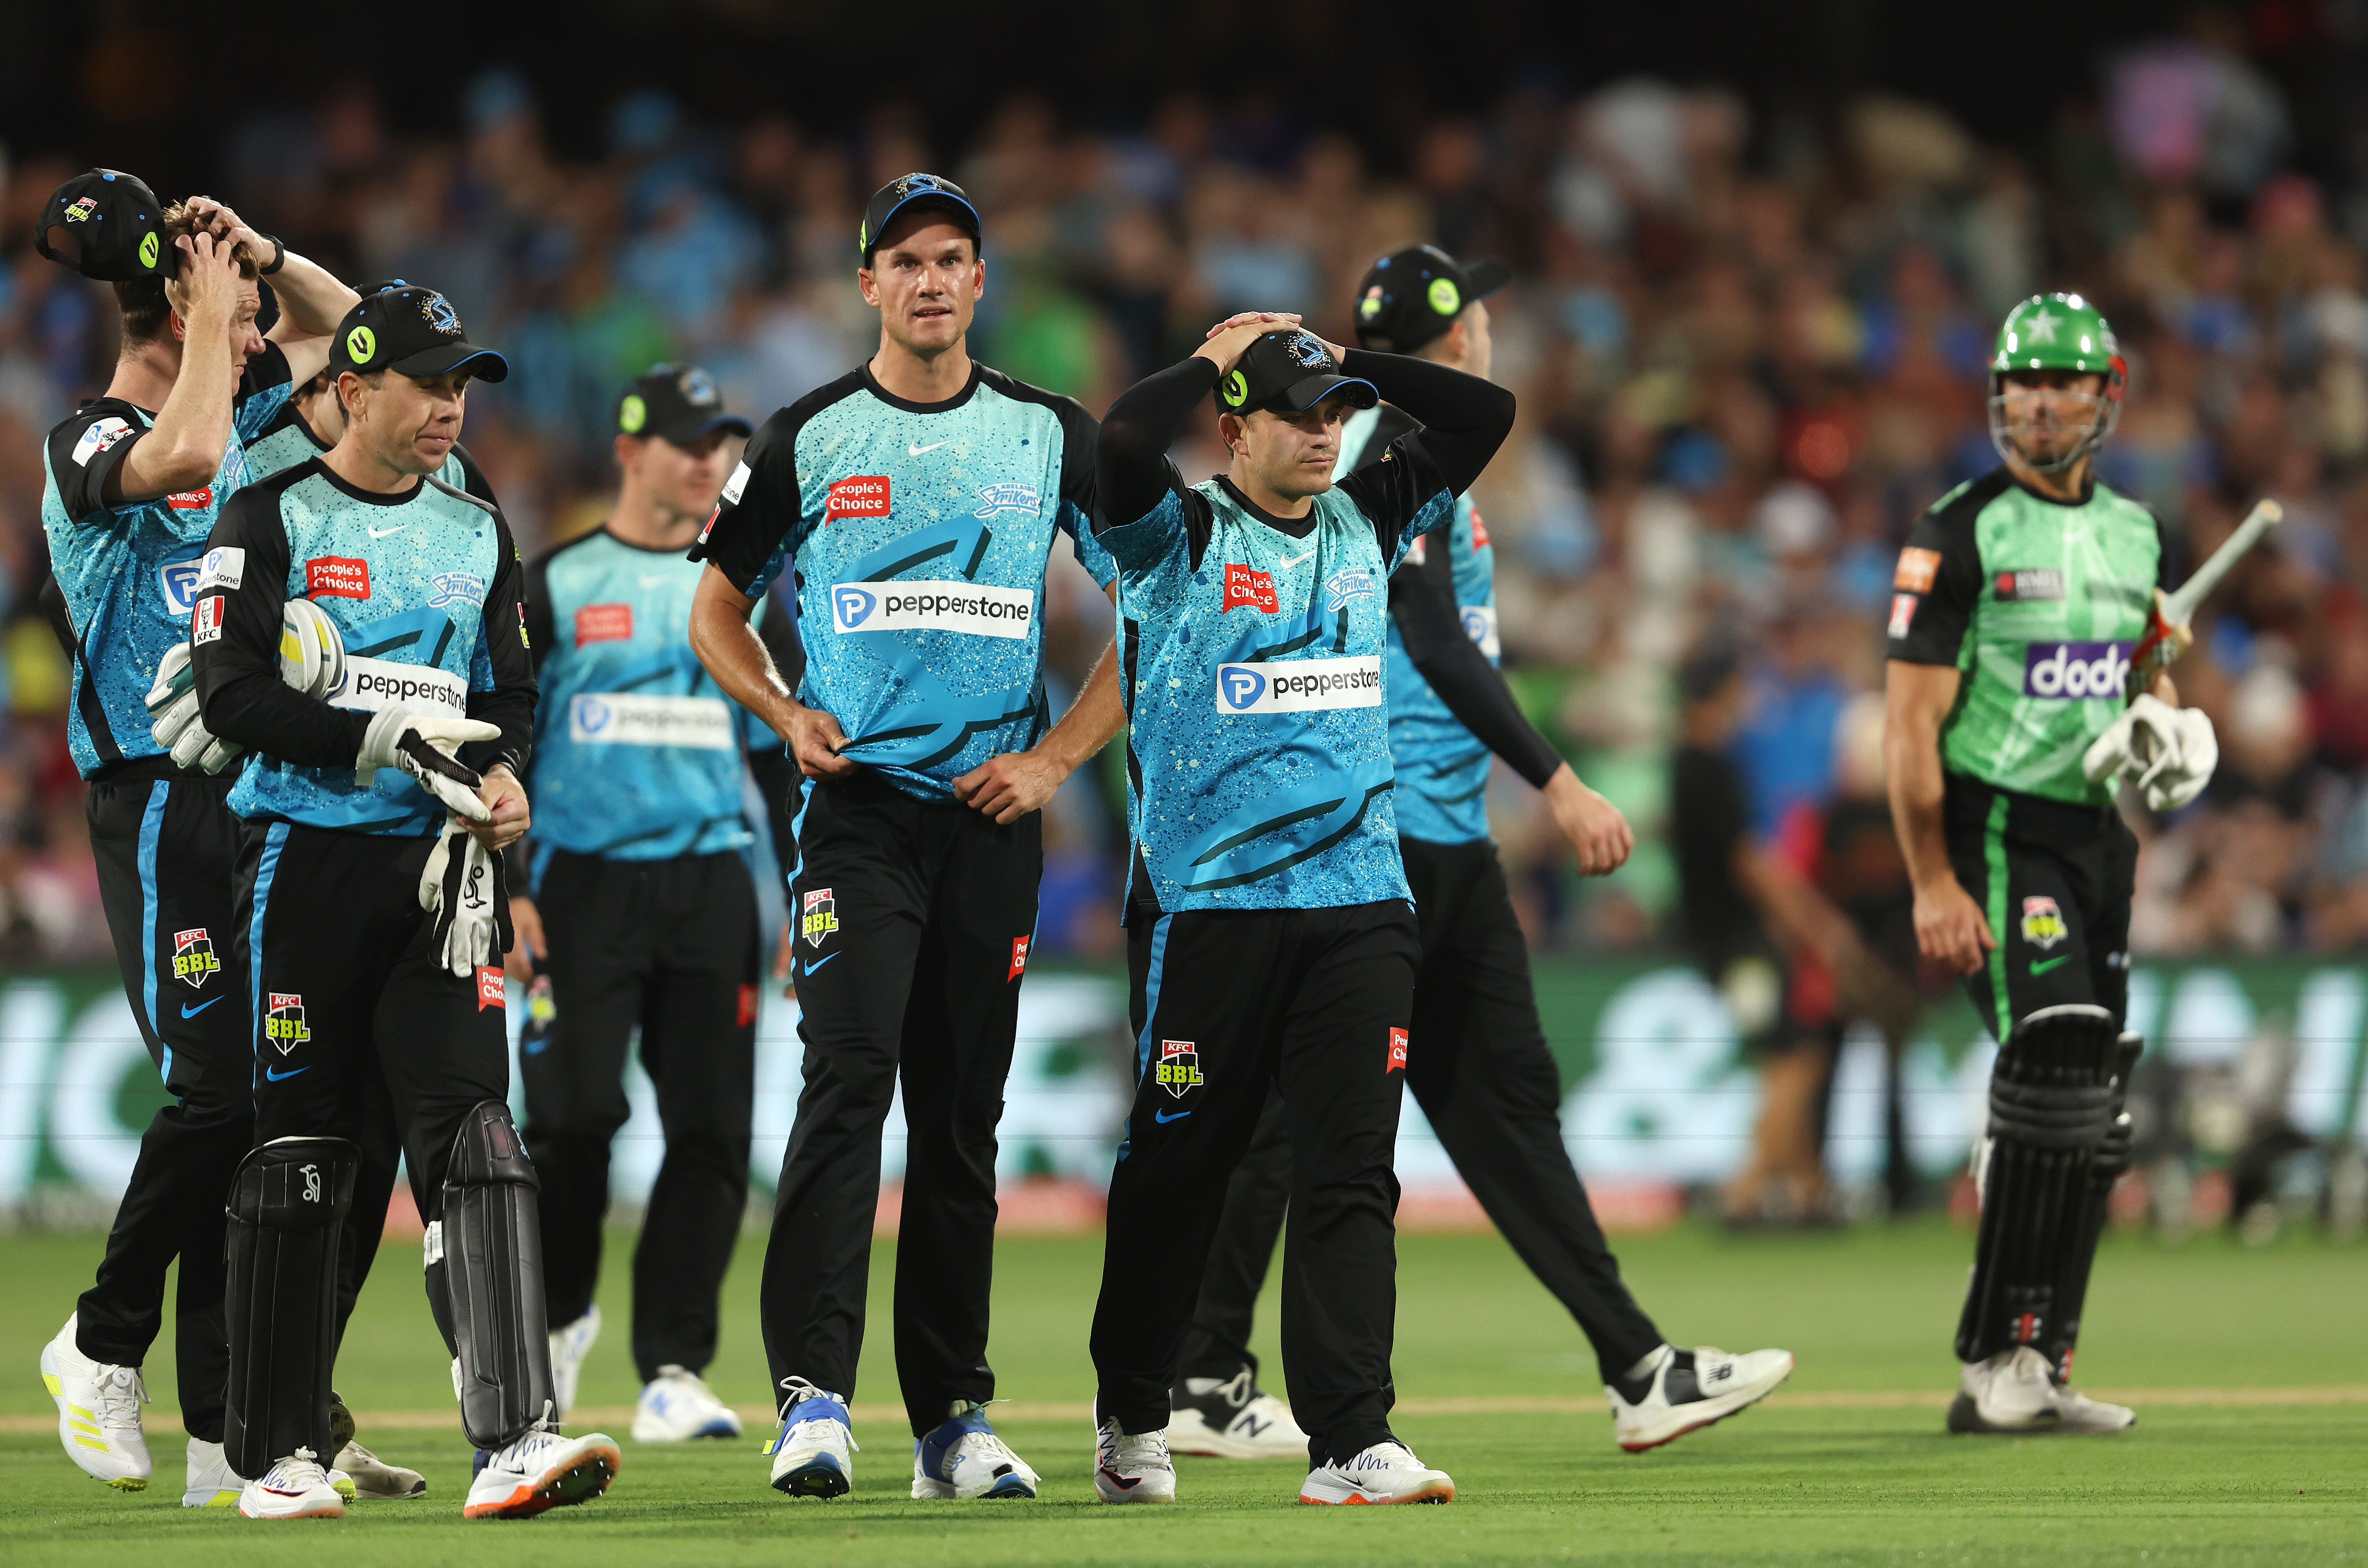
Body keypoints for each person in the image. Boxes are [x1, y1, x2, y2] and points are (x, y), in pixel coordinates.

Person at [1166, 249, 1794, 1466]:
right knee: (1311, 1113)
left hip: (1438, 835)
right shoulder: (1374, 454)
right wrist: (1557, 778)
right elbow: (1434, 638)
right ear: (1447, 335)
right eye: (1478, 309)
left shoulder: (1422, 452)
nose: (1496, 323)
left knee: (1495, 1107)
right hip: (1381, 824)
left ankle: (1635, 1363)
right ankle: (1202, 1370)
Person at [688, 173, 1123, 1504]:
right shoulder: (807, 434)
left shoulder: (1052, 434)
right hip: (862, 812)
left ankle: (953, 1417)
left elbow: (1150, 614)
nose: (932, 281)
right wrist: (782, 709)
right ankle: (813, 1397)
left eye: (954, 259)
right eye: (906, 261)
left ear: (981, 284)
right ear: (866, 284)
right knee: (847, 1082)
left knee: (961, 1119)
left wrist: (1054, 758)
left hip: (989, 818)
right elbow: (713, 607)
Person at [192, 284, 621, 1519]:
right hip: (302, 865)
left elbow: (514, 693)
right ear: (351, 389)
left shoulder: (479, 526)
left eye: (462, 386)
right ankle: (275, 1455)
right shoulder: (265, 515)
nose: (450, 408)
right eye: (428, 385)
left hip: (445, 880)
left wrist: (498, 774)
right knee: (302, 1158)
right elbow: (229, 697)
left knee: (478, 1135)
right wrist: (383, 735)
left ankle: (515, 1437)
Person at [1082, 310, 1512, 1508]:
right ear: (1233, 426)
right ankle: (1132, 1410)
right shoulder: (1173, 537)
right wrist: (1218, 352)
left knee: (1351, 1170)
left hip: (1362, 901)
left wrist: (1348, 365)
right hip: (1209, 909)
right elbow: (1120, 436)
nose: (1327, 433)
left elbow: (1490, 412)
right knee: (1182, 1172)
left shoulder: (1369, 518)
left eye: (1337, 416)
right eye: (1299, 413)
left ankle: (1352, 1438)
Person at [30, 171, 357, 1508]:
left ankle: (233, 1429)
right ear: (172, 303)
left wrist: (265, 256)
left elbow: (353, 346)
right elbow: (180, 457)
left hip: (258, 796)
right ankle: (101, 1340)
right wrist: (217, 326)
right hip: (160, 804)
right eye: (219, 297)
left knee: (267, 1114)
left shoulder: (260, 407)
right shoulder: (86, 446)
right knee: (220, 1091)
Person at [1884, 292, 2212, 1435]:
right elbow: (1907, 728)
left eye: (2060, 381)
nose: (2034, 400)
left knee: (2093, 1105)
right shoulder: (1957, 529)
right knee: (2058, 1066)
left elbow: (2144, 676)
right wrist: (1931, 879)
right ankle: (1993, 1365)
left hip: (2094, 838)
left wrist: (2164, 732)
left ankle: (2046, 1359)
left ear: (2104, 395)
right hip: (1995, 826)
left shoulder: (2136, 532)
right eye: (2020, 380)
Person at [508, 364, 766, 1445]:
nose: (708, 460)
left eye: (719, 442)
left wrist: (803, 890)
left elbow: (786, 748)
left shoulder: (739, 587)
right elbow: (503, 743)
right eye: (687, 441)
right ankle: (561, 1318)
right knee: (570, 1122)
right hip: (582, 887)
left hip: (711, 885)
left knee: (711, 1132)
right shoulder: (555, 581)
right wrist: (512, 888)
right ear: (629, 450)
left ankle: (672, 1366)